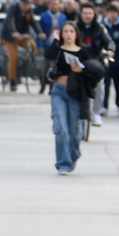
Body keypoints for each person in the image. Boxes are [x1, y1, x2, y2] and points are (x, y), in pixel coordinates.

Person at [44, 22, 90, 174]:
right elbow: (48, 55)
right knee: (61, 128)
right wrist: (56, 41)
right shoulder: (58, 49)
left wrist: (80, 70)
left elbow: (91, 72)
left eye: (71, 31)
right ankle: (63, 164)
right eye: (66, 31)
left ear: (76, 34)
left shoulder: (83, 52)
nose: (69, 34)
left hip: (75, 93)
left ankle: (73, 154)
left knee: (74, 133)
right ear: (62, 34)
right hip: (59, 91)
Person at [76, 2, 115, 126]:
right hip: (79, 61)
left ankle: (96, 113)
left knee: (99, 86)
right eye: (85, 13)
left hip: (96, 62)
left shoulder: (100, 28)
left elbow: (109, 41)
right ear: (81, 14)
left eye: (90, 13)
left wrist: (110, 50)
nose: (87, 16)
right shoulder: (75, 27)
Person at [2, 0, 43, 91]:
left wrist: (39, 32)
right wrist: (13, 32)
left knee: (32, 46)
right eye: (24, 4)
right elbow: (10, 21)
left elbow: (33, 22)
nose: (26, 7)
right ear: (20, 3)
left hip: (22, 36)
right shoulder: (13, 9)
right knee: (13, 57)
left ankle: (26, 63)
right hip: (10, 37)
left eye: (28, 5)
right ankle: (12, 80)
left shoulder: (29, 11)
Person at [102, 2, 119, 116]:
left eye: (114, 12)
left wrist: (115, 49)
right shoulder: (103, 27)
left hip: (118, 61)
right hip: (105, 61)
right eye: (110, 12)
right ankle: (104, 106)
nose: (112, 15)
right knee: (105, 85)